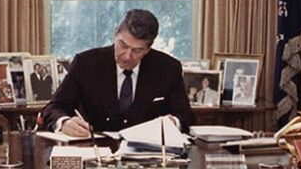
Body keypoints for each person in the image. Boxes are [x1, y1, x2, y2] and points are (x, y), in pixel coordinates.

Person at [41, 9, 193, 137]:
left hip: (149, 156)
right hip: (95, 150)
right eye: (123, 45)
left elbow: (186, 116)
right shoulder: (85, 63)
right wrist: (64, 122)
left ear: (148, 49)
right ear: (115, 35)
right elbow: (53, 108)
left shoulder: (168, 68)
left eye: (137, 50)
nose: (127, 56)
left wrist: (174, 122)